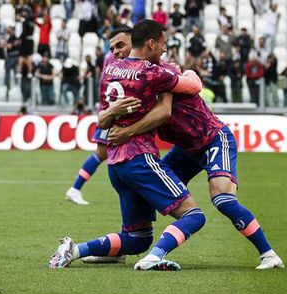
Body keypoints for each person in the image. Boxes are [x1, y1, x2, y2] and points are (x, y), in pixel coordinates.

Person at [107, 33, 284, 271]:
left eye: (121, 46)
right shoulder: (132, 82)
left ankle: (269, 254)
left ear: (139, 46)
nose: (117, 53)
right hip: (186, 149)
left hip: (212, 138)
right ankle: (131, 244)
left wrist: (187, 74)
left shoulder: (163, 73)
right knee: (153, 190)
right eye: (113, 49)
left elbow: (186, 89)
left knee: (222, 199)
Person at [50, 20, 207, 271]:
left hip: (116, 166)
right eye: (163, 45)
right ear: (151, 43)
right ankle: (154, 258)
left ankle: (74, 249)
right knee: (194, 215)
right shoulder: (152, 72)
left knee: (138, 238)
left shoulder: (110, 71)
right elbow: (182, 97)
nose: (164, 50)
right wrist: (181, 73)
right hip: (139, 158)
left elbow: (102, 119)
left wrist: (114, 114)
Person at [65, 26, 133, 205]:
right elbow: (109, 85)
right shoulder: (113, 58)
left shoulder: (118, 57)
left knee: (108, 154)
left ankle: (75, 189)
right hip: (111, 111)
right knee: (102, 153)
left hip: (114, 110)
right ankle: (75, 188)